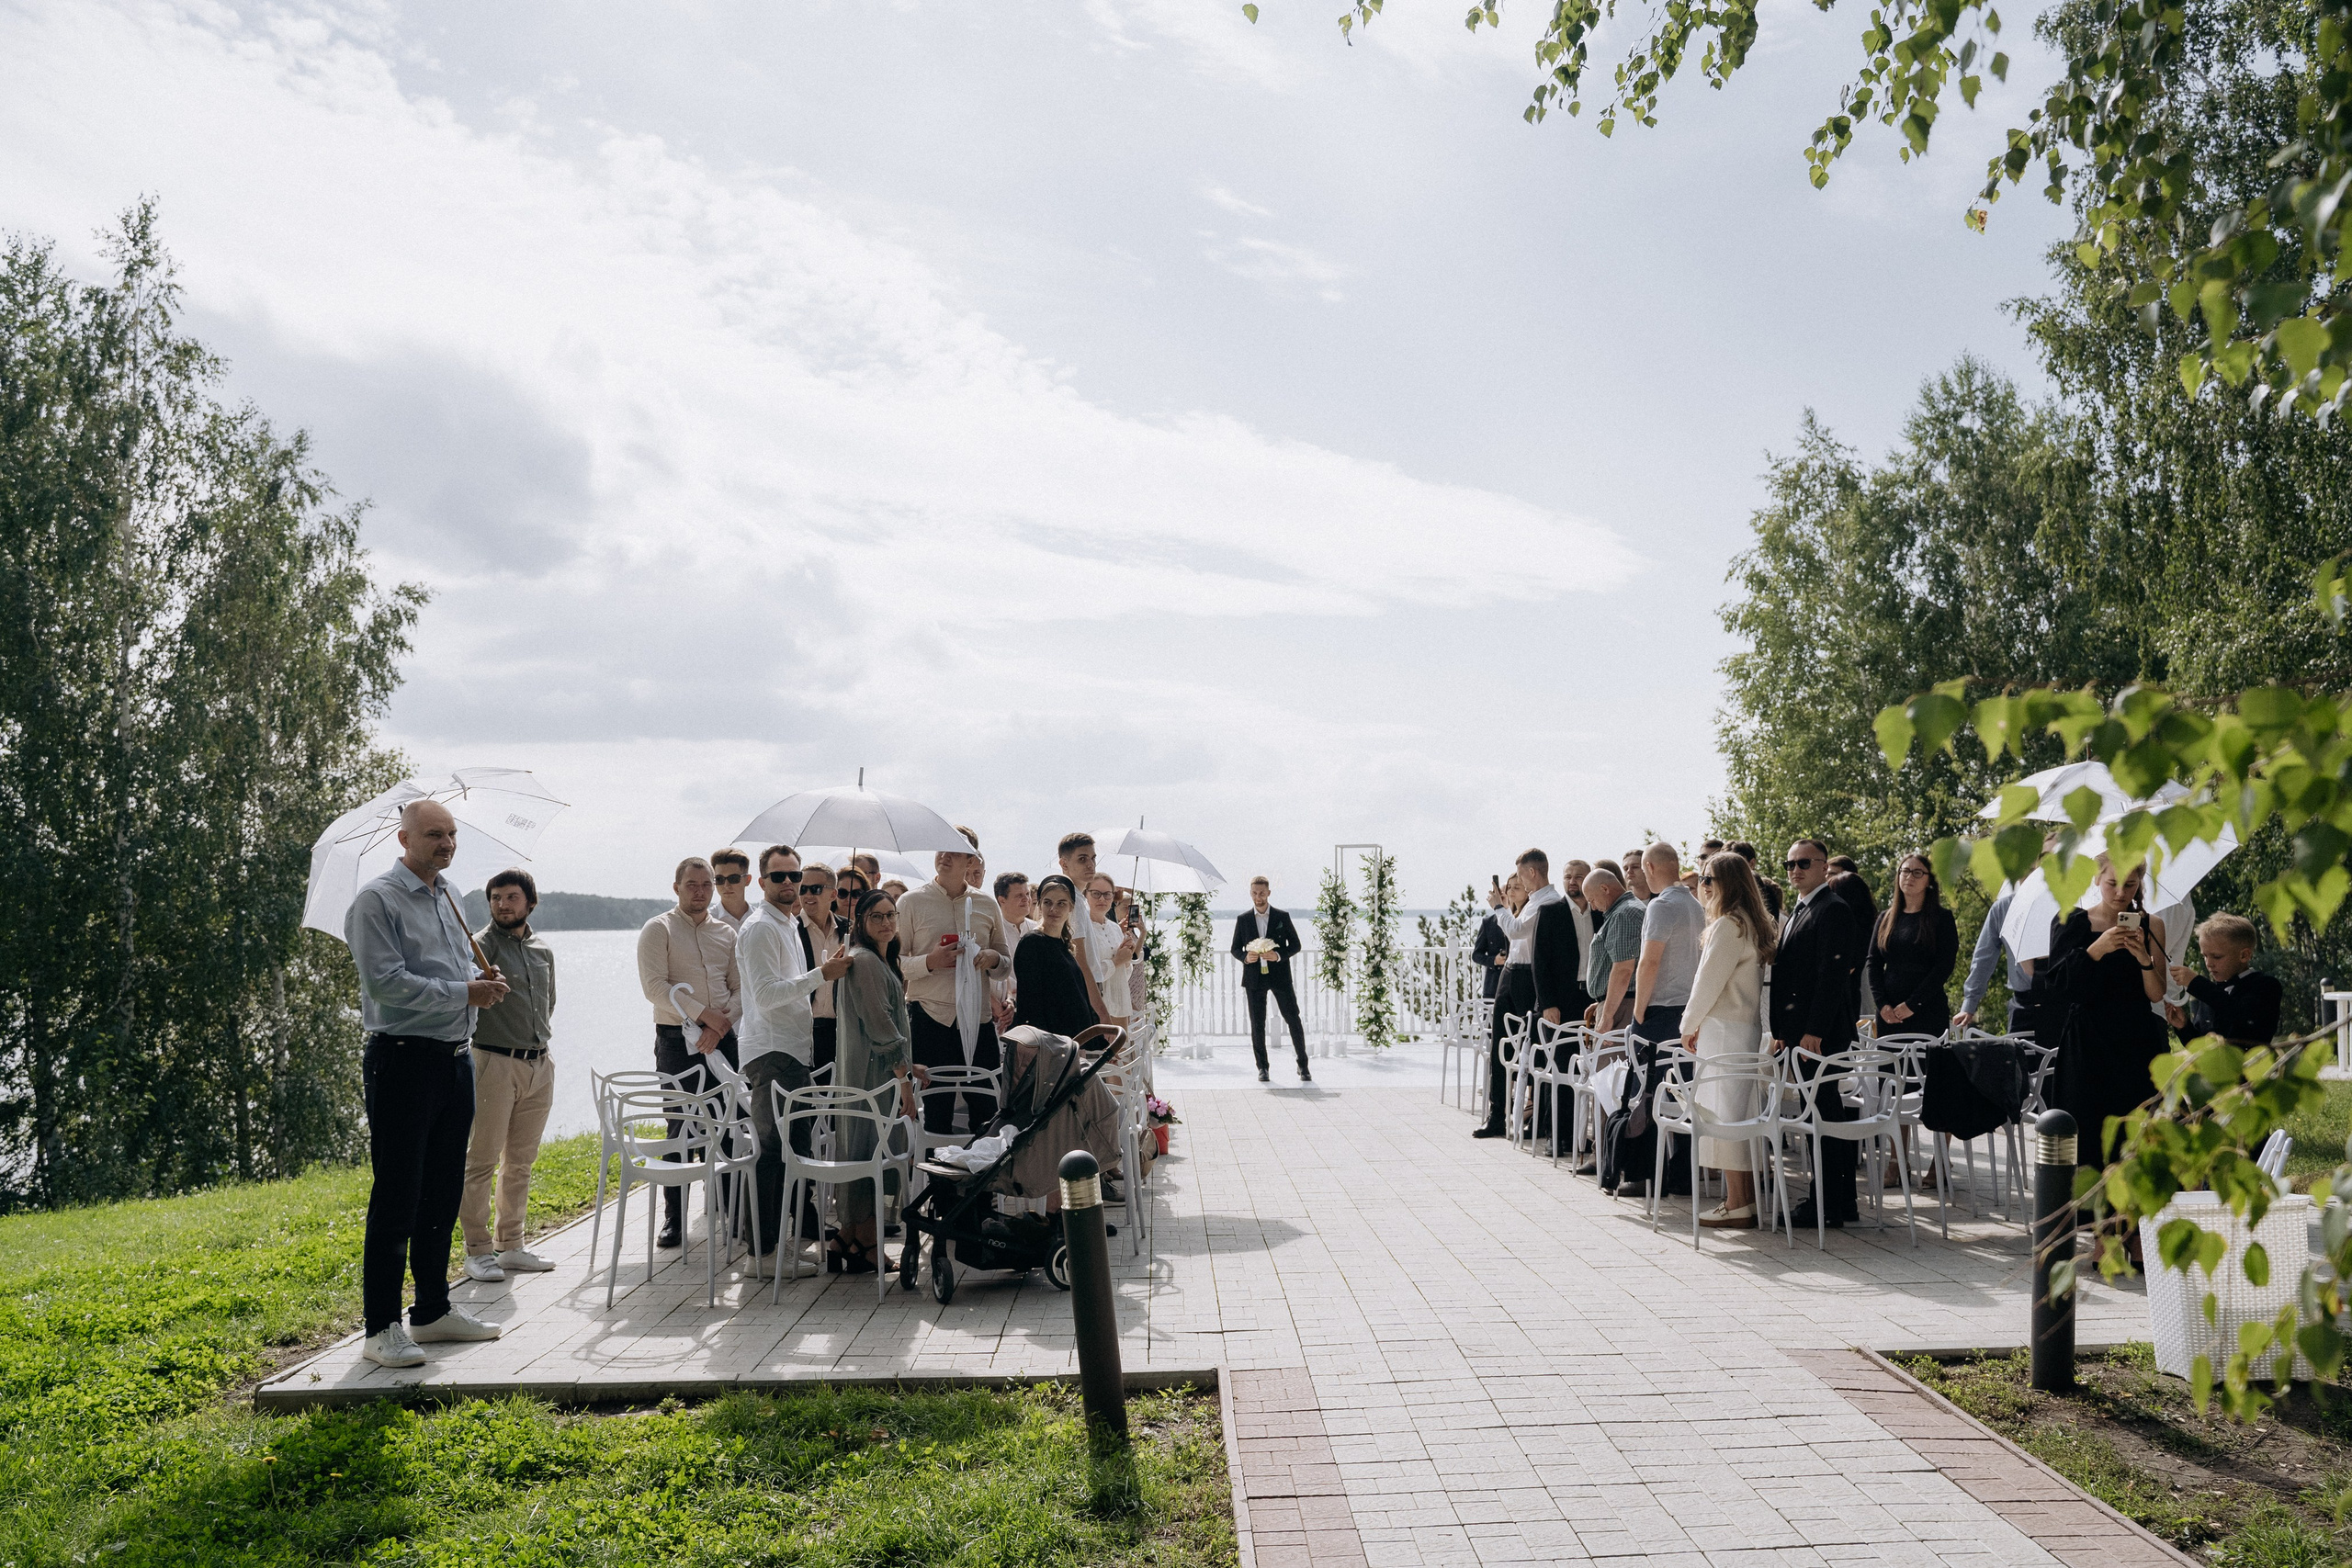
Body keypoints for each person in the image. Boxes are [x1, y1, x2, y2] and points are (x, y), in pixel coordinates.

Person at [345, 799, 507, 1369]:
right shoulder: (376, 901)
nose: (446, 844)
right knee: (398, 1192)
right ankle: (380, 1327)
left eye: (452, 834)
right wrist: (466, 993)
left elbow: (452, 968)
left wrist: (479, 979)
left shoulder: (450, 895)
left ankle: (433, 1311)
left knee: (442, 1187)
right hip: (403, 1061)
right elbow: (387, 985)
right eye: (434, 834)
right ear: (403, 838)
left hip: (454, 1060)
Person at [736, 843, 854, 1274]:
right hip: (772, 1052)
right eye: (779, 876)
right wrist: (821, 974)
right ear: (761, 881)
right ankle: (761, 1256)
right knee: (772, 1155)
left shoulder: (785, 924)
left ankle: (773, 1249)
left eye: (794, 875)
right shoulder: (762, 928)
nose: (789, 883)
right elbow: (766, 997)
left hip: (789, 1049)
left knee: (790, 1152)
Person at [458, 868, 558, 1283]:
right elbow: (462, 1004)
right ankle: (477, 1250)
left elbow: (549, 1005)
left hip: (540, 1064)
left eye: (511, 897)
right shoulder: (475, 949)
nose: (502, 904)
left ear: (530, 903)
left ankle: (511, 1243)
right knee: (481, 1161)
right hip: (493, 1064)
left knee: (521, 1161)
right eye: (496, 897)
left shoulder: (542, 950)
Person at [636, 856, 741, 1249]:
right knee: (679, 1127)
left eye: (707, 884)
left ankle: (733, 1214)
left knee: (729, 1125)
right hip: (676, 1039)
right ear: (676, 887)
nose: (700, 891)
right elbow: (654, 987)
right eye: (692, 884)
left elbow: (740, 986)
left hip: (723, 1037)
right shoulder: (657, 929)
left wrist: (719, 1023)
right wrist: (703, 1016)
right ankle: (673, 1219)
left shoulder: (727, 933)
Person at [2041, 856, 2170, 1168]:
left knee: (2134, 1133)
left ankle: (2131, 1213)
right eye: (2112, 883)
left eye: (2130, 884)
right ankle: (2086, 1213)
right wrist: (2096, 949)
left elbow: (2156, 993)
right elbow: (2057, 987)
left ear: (2140, 883)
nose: (2120, 893)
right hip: (2087, 1041)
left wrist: (2142, 956)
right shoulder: (2069, 922)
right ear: (2097, 880)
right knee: (2086, 1132)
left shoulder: (2153, 925)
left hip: (2136, 1039)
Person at [1679, 852, 1776, 1228]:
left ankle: (1737, 1203)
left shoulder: (1729, 925)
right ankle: (1743, 1200)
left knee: (1723, 1115)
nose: (1702, 887)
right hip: (1743, 1028)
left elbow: (1707, 983)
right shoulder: (1750, 922)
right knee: (1740, 1112)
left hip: (1722, 1029)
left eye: (1707, 880)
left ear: (1725, 884)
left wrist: (1688, 1024)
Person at [831, 890, 923, 1274]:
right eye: (876, 917)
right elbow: (880, 1023)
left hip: (873, 1070)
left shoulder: (877, 959)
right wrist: (902, 1076)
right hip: (874, 1075)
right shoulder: (865, 960)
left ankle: (847, 1236)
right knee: (872, 1152)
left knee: (863, 1150)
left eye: (891, 915)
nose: (886, 923)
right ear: (861, 924)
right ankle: (868, 1243)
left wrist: (909, 1066)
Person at [1774, 838, 1864, 1229]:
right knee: (1824, 1114)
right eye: (1789, 863)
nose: (1795, 870)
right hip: (1799, 1033)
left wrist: (1814, 1031)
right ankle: (1840, 1201)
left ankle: (1826, 1203)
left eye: (1804, 863)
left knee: (1822, 1116)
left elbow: (1832, 976)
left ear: (1824, 867)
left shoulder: (1833, 909)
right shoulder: (1800, 909)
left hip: (1819, 1035)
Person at [898, 828, 1011, 1135]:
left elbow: (1005, 962)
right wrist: (929, 962)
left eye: (954, 851)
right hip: (930, 1018)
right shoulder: (910, 902)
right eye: (940, 849)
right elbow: (895, 964)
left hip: (978, 1019)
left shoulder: (987, 905)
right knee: (936, 1112)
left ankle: (981, 1183)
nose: (944, 857)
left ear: (971, 859)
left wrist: (991, 958)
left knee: (986, 1112)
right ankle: (940, 1183)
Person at [1476, 852, 1560, 1136]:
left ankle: (1534, 1115)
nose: (1520, 881)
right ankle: (1496, 1115)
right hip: (1510, 973)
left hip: (1528, 977)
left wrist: (1499, 907)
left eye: (1521, 875)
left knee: (1532, 1048)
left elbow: (1517, 932)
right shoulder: (1532, 901)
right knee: (1499, 1044)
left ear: (1532, 873)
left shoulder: (1548, 902)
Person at [1867, 853, 1960, 1038]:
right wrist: (1882, 1004)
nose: (1909, 877)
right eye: (1905, 871)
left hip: (1927, 1011)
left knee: (1925, 1066)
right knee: (1890, 1066)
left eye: (1918, 873)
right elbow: (1873, 963)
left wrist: (1913, 1004)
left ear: (1929, 881)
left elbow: (1944, 966)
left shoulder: (1942, 918)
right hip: (1889, 1015)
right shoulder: (1885, 918)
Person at [1232, 874, 1310, 1083]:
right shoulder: (1243, 919)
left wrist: (1278, 955)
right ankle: (1263, 1068)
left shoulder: (1282, 917)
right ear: (1251, 894)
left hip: (1280, 976)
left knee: (1293, 1018)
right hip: (1253, 979)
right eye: (1255, 893)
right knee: (1257, 1024)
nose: (1259, 897)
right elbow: (1234, 948)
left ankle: (1303, 1065)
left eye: (1262, 893)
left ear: (1269, 893)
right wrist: (1245, 957)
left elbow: (1295, 945)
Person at [2167, 912, 2282, 1044]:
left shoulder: (2266, 986)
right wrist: (2184, 1027)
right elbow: (2201, 1048)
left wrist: (2196, 983)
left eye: (2217, 956)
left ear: (2244, 955)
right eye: (2205, 956)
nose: (2209, 963)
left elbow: (2241, 1015)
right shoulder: (2209, 995)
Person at [1632, 842, 1703, 1048]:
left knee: (1645, 1079)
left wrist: (1638, 1013)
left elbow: (1649, 962)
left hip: (1660, 1010)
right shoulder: (1697, 906)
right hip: (1689, 1009)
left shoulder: (1661, 905)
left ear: (1650, 867)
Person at [1014, 874, 1100, 1037]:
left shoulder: (1064, 944)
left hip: (1069, 1041)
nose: (1054, 909)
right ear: (1039, 905)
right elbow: (1029, 1000)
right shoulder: (1032, 943)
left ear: (1071, 907)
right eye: (1048, 903)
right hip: (1047, 1042)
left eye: (1061, 903)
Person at [1955, 883, 2038, 1036]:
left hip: (2059, 998)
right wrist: (1969, 1004)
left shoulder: (2065, 906)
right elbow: (1984, 957)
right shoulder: (2003, 908)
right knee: (2019, 1057)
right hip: (2022, 1002)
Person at [1057, 833, 1115, 1023]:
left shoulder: (1078, 898)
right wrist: (1102, 1011)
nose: (1090, 864)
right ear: (1064, 864)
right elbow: (1081, 960)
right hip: (1081, 992)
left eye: (1093, 858)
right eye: (1082, 859)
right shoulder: (1073, 900)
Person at [1581, 866, 1645, 1034]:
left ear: (1604, 888)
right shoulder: (1625, 910)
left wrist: (1608, 1014)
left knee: (1609, 1061)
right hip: (1620, 1003)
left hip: (1621, 1009)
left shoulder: (1623, 914)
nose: (1593, 907)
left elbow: (1624, 969)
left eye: (1592, 900)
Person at [798, 863, 849, 1074]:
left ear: (833, 894)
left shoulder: (851, 930)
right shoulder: (791, 930)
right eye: (802, 889)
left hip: (843, 1031)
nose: (808, 895)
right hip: (804, 1031)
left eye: (816, 889)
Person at [1084, 873, 1138, 1039]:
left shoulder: (1115, 928)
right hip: (1097, 1008)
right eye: (1096, 893)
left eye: (1107, 894)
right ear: (1085, 895)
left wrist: (1127, 959)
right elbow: (1087, 975)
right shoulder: (1083, 930)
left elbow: (1124, 974)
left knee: (1123, 1060)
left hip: (1120, 1002)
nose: (1102, 899)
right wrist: (1116, 961)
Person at [1727, 841, 1783, 918]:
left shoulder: (1766, 894)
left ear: (1752, 863)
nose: (1730, 870)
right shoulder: (1722, 892)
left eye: (1737, 864)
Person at [708, 848, 755, 931]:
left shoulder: (760, 919)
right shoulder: (707, 921)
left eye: (733, 878)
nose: (726, 885)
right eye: (720, 879)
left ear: (747, 880)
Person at [1471, 900, 1509, 1001]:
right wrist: (1494, 960)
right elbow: (1476, 955)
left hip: (1516, 984)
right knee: (1489, 1017)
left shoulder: (1520, 922)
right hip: (1493, 985)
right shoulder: (1488, 923)